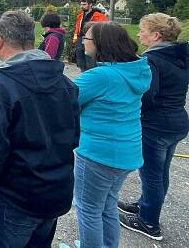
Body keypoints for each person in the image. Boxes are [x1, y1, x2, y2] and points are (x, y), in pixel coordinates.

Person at [0, 11, 80, 247]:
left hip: (15, 198)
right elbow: (73, 137)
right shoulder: (65, 83)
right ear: (31, 40)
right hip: (55, 193)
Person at [73, 23, 151, 248]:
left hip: (99, 153)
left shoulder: (101, 76)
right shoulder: (136, 70)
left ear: (99, 44)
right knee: (107, 204)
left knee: (88, 209)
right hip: (128, 152)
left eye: (86, 38)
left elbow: (63, 100)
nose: (82, 42)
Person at [118, 13, 188, 241]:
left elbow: (147, 96)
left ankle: (148, 221)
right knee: (161, 171)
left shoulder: (153, 60)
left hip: (156, 125)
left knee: (151, 174)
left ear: (156, 35)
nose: (139, 34)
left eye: (143, 31)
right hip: (176, 120)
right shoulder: (179, 56)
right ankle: (145, 205)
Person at [72, 0, 108, 71]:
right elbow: (77, 29)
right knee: (81, 61)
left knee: (91, 61)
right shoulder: (80, 16)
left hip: (92, 40)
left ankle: (92, 76)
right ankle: (84, 74)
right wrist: (75, 41)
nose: (82, 6)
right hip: (80, 40)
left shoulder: (99, 16)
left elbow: (104, 29)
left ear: (90, 5)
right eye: (81, 4)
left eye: (84, 4)